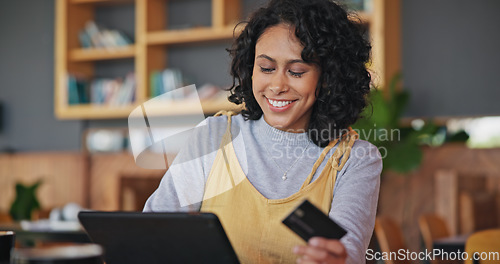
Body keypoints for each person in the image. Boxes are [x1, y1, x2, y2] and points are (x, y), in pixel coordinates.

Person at [143, 0, 382, 263]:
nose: (277, 85)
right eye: (266, 68)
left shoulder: (356, 159)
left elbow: (349, 252)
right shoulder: (213, 136)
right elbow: (153, 231)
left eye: (296, 71)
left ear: (328, 78)